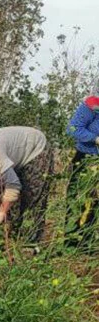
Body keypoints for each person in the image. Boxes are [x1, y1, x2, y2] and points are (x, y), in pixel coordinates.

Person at [64, 80, 99, 247]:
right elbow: (72, 128)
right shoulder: (91, 105)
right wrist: (95, 138)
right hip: (85, 158)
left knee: (94, 202)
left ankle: (88, 241)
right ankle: (71, 240)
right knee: (78, 199)